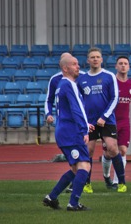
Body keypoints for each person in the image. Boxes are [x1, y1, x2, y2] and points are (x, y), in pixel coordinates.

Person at [42, 54, 94, 211]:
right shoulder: (69, 84)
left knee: (76, 169)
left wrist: (85, 124)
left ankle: (52, 197)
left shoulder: (62, 84)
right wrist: (84, 128)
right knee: (84, 166)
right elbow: (77, 108)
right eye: (74, 64)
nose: (78, 66)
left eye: (78, 63)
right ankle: (73, 203)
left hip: (64, 130)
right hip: (71, 132)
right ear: (65, 68)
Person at [79, 47, 127, 193]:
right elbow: (79, 101)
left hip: (107, 120)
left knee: (113, 148)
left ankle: (121, 183)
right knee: (88, 151)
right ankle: (87, 184)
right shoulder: (82, 79)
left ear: (101, 59)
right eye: (92, 57)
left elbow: (115, 98)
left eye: (97, 57)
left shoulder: (109, 76)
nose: (95, 59)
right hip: (90, 122)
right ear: (88, 60)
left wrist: (104, 117)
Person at [102, 55, 131, 189]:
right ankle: (106, 177)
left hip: (125, 122)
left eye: (125, 63)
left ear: (129, 67)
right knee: (109, 153)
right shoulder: (111, 83)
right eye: (120, 63)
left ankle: (117, 181)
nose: (123, 65)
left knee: (122, 150)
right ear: (116, 66)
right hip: (111, 122)